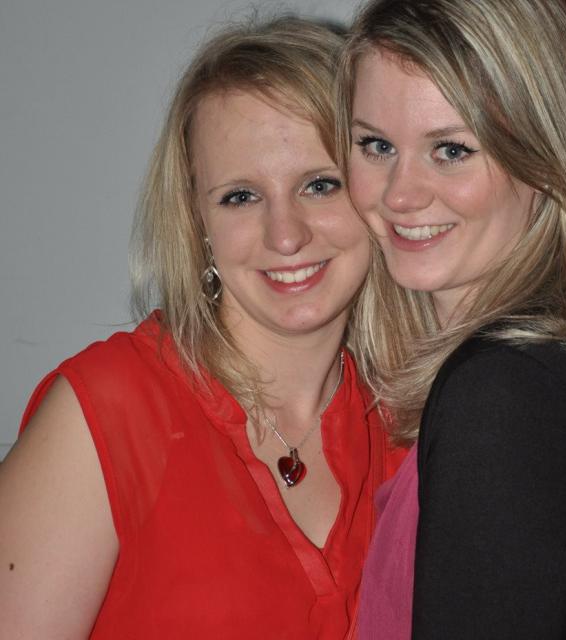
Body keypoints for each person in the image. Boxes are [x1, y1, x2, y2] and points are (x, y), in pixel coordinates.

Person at [0, 17, 415, 639]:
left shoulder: (413, 426)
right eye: (240, 197)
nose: (286, 235)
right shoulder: (107, 413)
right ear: (198, 223)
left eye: (319, 185)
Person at [337, 0, 566, 638]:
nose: (399, 194)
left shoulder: (508, 394)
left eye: (451, 149)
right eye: (376, 145)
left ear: (545, 157)